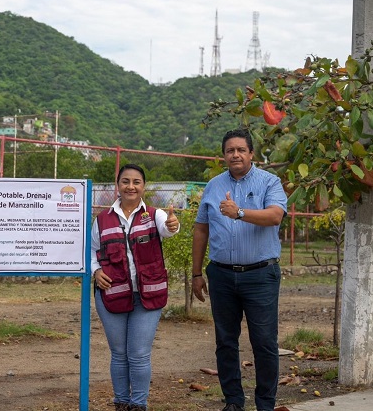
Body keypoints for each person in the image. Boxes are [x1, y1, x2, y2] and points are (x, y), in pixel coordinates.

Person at [191, 128, 287, 411]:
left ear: (251, 154)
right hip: (221, 274)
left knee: (264, 343)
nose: (235, 154)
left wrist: (240, 212)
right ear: (224, 155)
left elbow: (275, 216)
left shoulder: (270, 182)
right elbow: (201, 228)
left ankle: (265, 404)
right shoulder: (213, 185)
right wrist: (197, 273)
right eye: (230, 150)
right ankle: (233, 401)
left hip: (260, 275)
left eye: (240, 150)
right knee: (225, 342)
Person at [91, 164, 180, 411]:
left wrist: (173, 225)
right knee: (119, 353)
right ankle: (121, 402)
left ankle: (138, 405)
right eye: (126, 181)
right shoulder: (102, 219)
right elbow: (92, 251)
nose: (131, 186)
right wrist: (96, 271)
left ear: (143, 186)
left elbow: (168, 228)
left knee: (138, 353)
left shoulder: (154, 214)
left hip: (148, 295)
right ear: (117, 185)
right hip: (112, 293)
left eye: (137, 182)